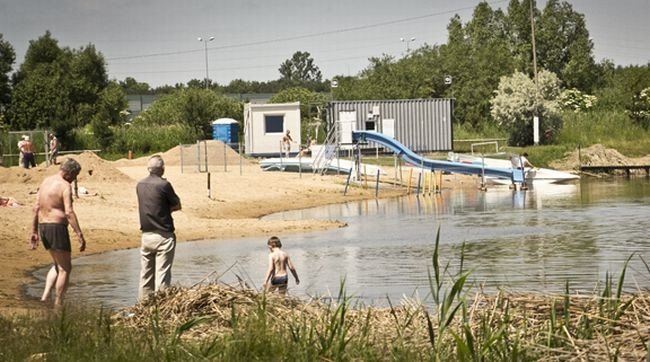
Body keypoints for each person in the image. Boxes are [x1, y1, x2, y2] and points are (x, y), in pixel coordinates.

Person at [28, 158, 86, 306]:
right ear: (70, 172)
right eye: (75, 175)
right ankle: (58, 304)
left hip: (43, 227)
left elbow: (36, 207)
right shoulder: (65, 185)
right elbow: (69, 212)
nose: (75, 179)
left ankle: (45, 297)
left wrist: (34, 230)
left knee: (57, 265)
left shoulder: (46, 181)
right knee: (65, 268)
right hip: (57, 227)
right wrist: (79, 233)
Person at [136, 155, 182, 301]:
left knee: (146, 274)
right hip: (163, 235)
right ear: (162, 169)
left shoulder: (140, 184)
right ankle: (161, 306)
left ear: (148, 168)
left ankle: (143, 304)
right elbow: (177, 204)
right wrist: (165, 209)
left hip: (146, 235)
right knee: (162, 274)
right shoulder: (164, 185)